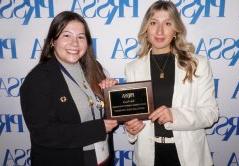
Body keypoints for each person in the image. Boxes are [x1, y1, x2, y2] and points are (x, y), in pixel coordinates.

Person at [124, 1, 219, 166]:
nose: (160, 30)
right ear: (146, 29)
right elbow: (133, 115)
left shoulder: (197, 63)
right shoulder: (133, 68)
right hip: (148, 157)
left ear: (176, 30)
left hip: (190, 157)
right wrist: (131, 129)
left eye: (167, 23)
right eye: (153, 23)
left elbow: (210, 113)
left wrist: (174, 115)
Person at [20, 11, 118, 166]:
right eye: (67, 36)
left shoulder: (94, 68)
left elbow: (102, 112)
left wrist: (111, 94)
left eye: (80, 37)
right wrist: (97, 129)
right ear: (53, 41)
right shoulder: (37, 80)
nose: (75, 43)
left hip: (101, 157)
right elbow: (43, 133)